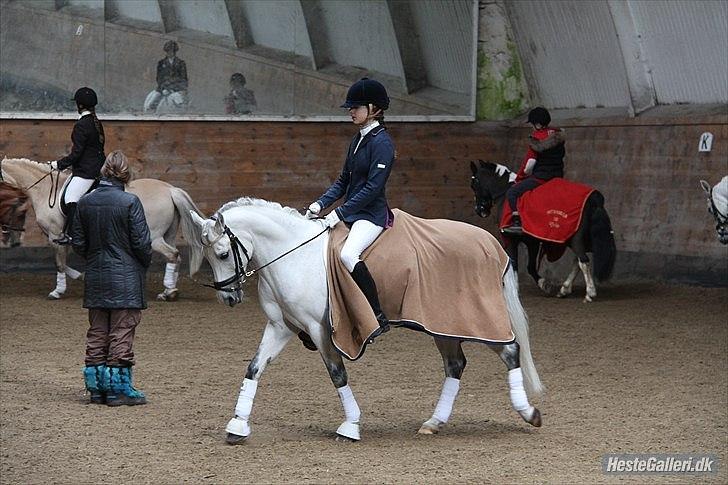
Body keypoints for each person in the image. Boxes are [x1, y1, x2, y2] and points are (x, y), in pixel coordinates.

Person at [306, 78, 394, 343]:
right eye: (351, 107)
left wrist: (338, 214)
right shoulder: (358, 139)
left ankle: (377, 316)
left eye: (356, 107)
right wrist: (320, 204)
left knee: (347, 254)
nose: (351, 111)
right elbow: (344, 181)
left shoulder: (383, 143)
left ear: (374, 109)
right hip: (352, 212)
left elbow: (372, 189)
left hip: (372, 215)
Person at [70, 150, 152, 406]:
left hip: (96, 275)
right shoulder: (130, 202)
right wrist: (140, 264)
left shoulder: (85, 202)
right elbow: (142, 244)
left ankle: (96, 389)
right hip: (125, 278)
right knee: (121, 332)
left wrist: (94, 259)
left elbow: (79, 243)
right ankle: (118, 390)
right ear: (126, 174)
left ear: (104, 172)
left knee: (97, 332)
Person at [49, 86, 105, 245]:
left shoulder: (82, 124)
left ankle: (74, 236)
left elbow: (77, 153)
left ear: (80, 105)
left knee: (70, 198)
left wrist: (59, 164)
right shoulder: (96, 122)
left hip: (87, 170)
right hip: (98, 166)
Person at [503, 106, 566, 234]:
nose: (532, 127)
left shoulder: (537, 138)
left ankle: (517, 222)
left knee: (512, 192)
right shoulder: (558, 135)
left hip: (541, 178)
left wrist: (520, 177)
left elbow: (529, 165)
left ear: (537, 124)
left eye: (532, 124)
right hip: (557, 177)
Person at [143, 40, 188, 113]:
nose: (169, 53)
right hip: (163, 88)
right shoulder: (161, 63)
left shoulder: (181, 63)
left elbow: (183, 79)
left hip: (177, 89)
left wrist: (173, 88)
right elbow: (159, 78)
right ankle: (151, 112)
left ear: (174, 52)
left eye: (171, 51)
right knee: (153, 102)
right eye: (168, 51)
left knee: (182, 102)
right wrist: (164, 88)